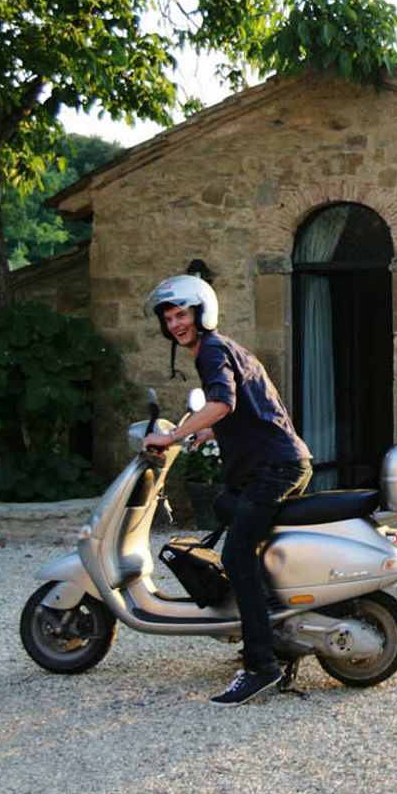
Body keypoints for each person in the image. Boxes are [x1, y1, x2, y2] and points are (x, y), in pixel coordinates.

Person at [141, 273, 311, 706]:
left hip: (272, 469)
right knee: (225, 510)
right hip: (281, 463)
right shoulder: (225, 349)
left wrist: (174, 435)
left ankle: (261, 666)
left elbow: (223, 402)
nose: (176, 324)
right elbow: (250, 409)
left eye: (182, 314)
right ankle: (271, 625)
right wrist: (213, 433)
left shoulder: (212, 350)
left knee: (235, 553)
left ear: (201, 313)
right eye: (169, 318)